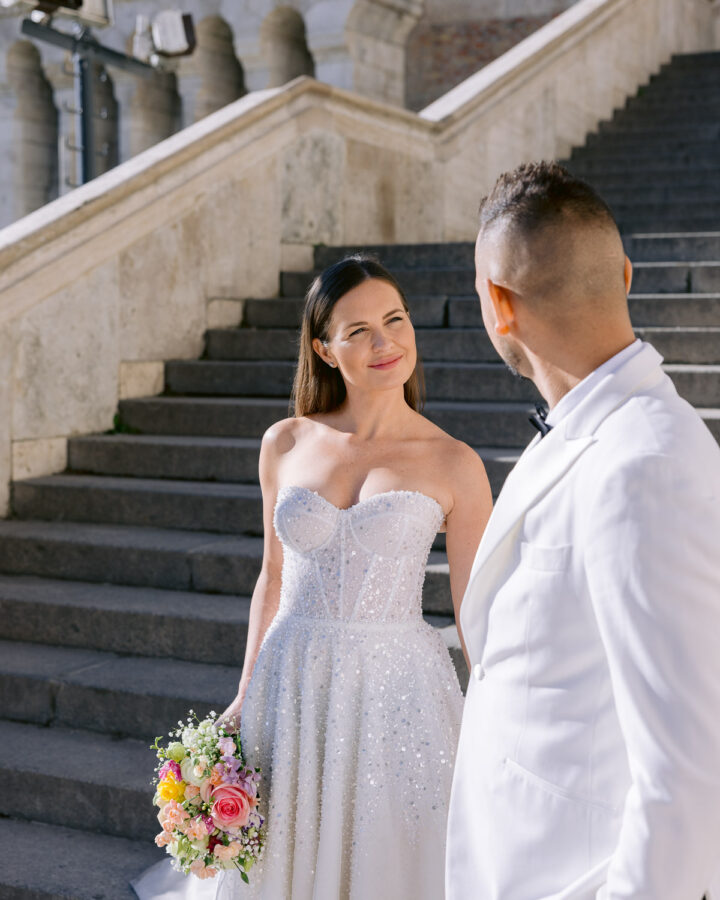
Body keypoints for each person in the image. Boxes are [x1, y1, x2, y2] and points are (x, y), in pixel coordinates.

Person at [134, 255, 492, 900]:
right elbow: (272, 576)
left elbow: (476, 611)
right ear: (324, 349)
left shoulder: (454, 463)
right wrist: (245, 692)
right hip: (290, 678)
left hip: (398, 692)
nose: (385, 343)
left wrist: (497, 714)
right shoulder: (285, 442)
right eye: (358, 331)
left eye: (395, 320)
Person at [445, 160, 720, 899]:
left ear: (499, 305)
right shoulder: (577, 435)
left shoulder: (645, 464)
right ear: (626, 275)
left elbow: (688, 776)